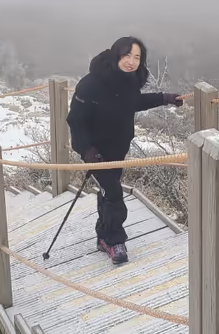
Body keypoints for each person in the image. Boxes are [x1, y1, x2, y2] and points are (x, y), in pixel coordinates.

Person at [67, 36, 183, 264]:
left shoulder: (128, 82)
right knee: (114, 194)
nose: (131, 61)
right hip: (96, 152)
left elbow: (133, 102)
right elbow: (75, 120)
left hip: (118, 148)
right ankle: (114, 241)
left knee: (107, 192)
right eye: (127, 55)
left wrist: (164, 98)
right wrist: (87, 150)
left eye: (136, 57)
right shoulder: (91, 83)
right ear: (116, 55)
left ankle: (103, 235)